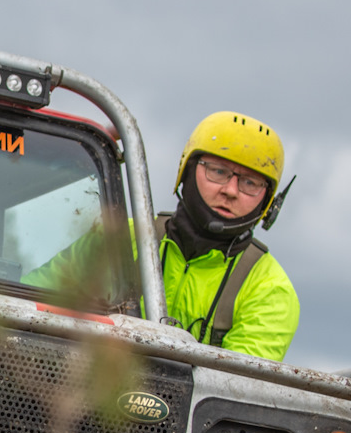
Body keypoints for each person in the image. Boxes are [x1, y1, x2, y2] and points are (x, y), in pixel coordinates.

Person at [23, 111, 299, 361]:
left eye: (250, 182)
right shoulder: (117, 240)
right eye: (218, 171)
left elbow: (235, 386)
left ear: (269, 201)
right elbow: (29, 302)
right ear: (186, 170)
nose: (231, 190)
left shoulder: (271, 290)